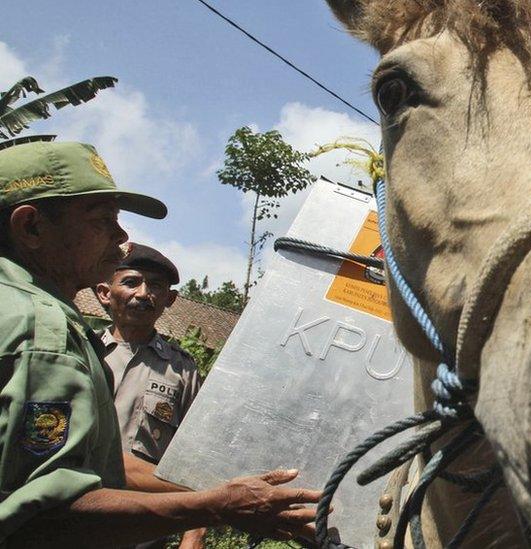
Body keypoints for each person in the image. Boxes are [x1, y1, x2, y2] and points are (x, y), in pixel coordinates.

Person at [0, 140, 320, 547]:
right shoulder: (42, 331)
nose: (121, 234)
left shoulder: (17, 309)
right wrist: (218, 505)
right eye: (102, 219)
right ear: (30, 227)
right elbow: (45, 518)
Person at [95, 242, 205, 548]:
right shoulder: (81, 352)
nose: (143, 293)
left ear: (169, 299)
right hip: (70, 519)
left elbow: (195, 456)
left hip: (143, 529)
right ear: (105, 292)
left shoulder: (182, 370)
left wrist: (194, 535)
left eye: (155, 286)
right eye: (131, 282)